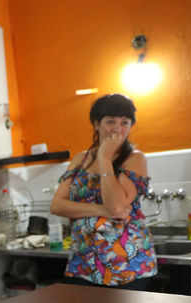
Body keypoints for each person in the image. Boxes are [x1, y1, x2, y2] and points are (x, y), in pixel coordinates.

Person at [50, 93, 157, 290]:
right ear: (96, 124)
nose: (117, 128)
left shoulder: (134, 158)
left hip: (126, 266)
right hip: (83, 263)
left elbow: (116, 206)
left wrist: (105, 159)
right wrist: (103, 210)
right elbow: (57, 205)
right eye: (110, 121)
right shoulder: (80, 159)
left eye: (125, 122)